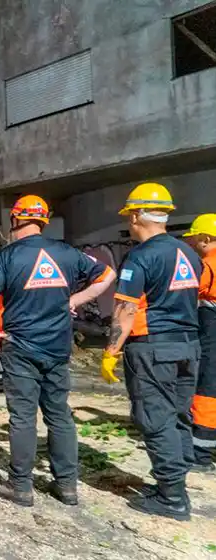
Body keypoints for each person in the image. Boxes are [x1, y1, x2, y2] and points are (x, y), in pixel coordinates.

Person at [0, 195, 115, 508]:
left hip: (21, 346)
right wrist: (76, 300)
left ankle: (21, 485)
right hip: (57, 347)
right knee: (59, 415)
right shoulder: (67, 253)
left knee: (23, 417)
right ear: (42, 221)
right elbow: (108, 276)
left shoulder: (4, 257)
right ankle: (67, 486)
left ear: (14, 221)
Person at [101, 182, 202, 521]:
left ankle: (172, 498)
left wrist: (111, 351)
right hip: (189, 345)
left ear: (135, 215)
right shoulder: (188, 253)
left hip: (154, 348)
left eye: (129, 215)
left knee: (156, 419)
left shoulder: (141, 257)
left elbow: (125, 311)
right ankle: (176, 483)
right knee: (179, 416)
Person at [184, 214, 216, 472]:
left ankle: (201, 452)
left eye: (195, 239)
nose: (193, 244)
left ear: (206, 238)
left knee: (207, 388)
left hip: (211, 334)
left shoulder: (208, 266)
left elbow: (190, 295)